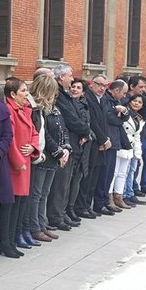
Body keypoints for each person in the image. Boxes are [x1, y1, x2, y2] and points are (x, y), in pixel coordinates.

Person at [26, 75, 70, 243]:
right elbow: (45, 135)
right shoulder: (38, 109)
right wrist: (58, 152)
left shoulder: (54, 107)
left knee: (44, 193)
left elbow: (63, 129)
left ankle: (41, 224)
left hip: (54, 157)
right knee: (36, 194)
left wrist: (66, 148)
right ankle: (34, 227)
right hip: (44, 156)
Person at [0, 77, 37, 258]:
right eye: (23, 90)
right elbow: (10, 139)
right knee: (9, 205)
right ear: (12, 94)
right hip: (15, 166)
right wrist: (18, 161)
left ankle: (12, 240)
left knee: (20, 204)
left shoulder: (26, 110)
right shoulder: (9, 110)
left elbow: (34, 133)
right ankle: (5, 243)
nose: (26, 94)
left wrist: (33, 147)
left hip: (25, 163)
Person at [50, 64, 89, 227]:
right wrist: (85, 130)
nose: (72, 79)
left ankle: (62, 212)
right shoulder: (59, 96)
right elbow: (71, 119)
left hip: (73, 142)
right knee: (60, 184)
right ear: (61, 77)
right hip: (65, 144)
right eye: (70, 76)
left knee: (66, 182)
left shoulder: (65, 95)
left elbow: (78, 117)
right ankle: (56, 216)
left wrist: (85, 132)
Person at [80, 76, 113, 216]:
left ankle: (88, 205)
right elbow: (92, 121)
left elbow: (103, 122)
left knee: (94, 177)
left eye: (104, 85)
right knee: (87, 178)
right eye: (99, 84)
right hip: (92, 143)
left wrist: (105, 139)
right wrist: (103, 140)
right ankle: (81, 207)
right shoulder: (88, 98)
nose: (102, 88)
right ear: (91, 84)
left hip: (100, 143)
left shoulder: (102, 99)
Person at [68, 79, 95, 218]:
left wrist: (87, 135)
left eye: (78, 88)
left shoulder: (85, 105)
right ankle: (66, 210)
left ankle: (71, 208)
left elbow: (88, 124)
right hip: (73, 145)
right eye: (73, 87)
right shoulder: (68, 104)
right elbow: (74, 123)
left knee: (77, 179)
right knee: (68, 180)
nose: (75, 89)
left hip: (84, 147)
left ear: (83, 92)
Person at [105, 80, 132, 211]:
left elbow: (125, 117)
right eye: (123, 93)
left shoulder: (117, 101)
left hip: (116, 140)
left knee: (116, 172)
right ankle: (107, 199)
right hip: (109, 139)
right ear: (116, 90)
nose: (124, 96)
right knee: (110, 173)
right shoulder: (107, 100)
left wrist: (123, 113)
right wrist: (119, 116)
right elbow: (110, 118)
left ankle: (116, 197)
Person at [121, 94, 145, 206]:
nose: (136, 103)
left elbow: (137, 135)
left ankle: (130, 193)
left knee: (132, 170)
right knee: (123, 172)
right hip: (125, 145)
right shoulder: (125, 113)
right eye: (134, 101)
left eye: (139, 102)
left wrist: (138, 151)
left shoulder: (139, 117)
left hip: (134, 146)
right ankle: (124, 194)